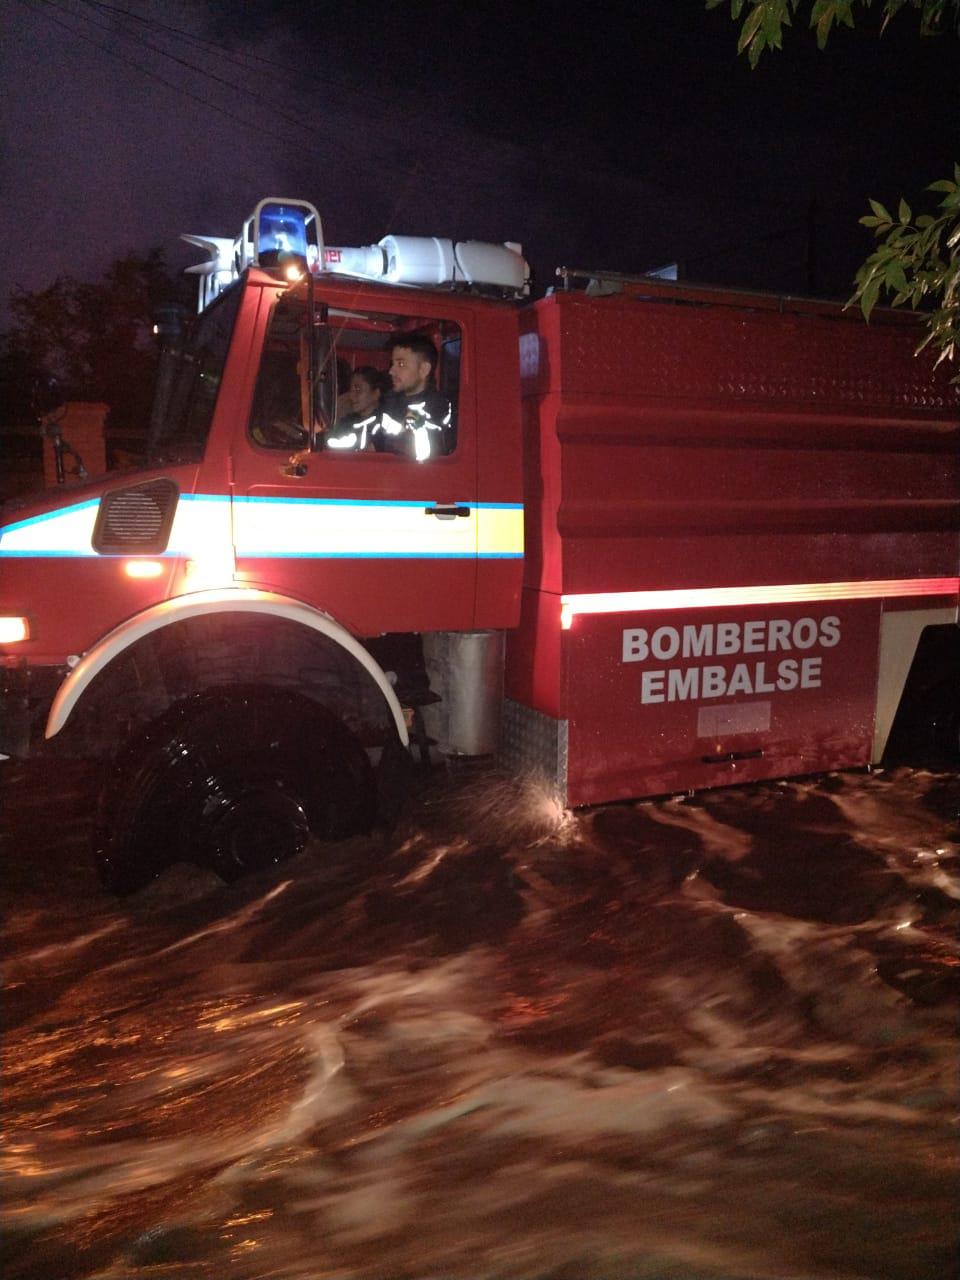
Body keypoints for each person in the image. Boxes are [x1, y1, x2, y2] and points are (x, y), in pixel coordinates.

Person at [373, 334, 453, 461]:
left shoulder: (439, 408)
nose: (391, 371)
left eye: (401, 364)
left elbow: (426, 454)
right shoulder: (388, 402)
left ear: (423, 369)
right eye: (392, 364)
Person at [326, 366, 389, 451]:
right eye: (351, 390)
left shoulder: (385, 426)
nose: (352, 396)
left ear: (376, 394)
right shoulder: (345, 423)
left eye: (358, 389)